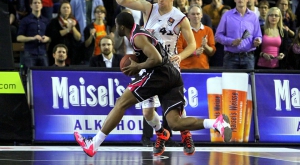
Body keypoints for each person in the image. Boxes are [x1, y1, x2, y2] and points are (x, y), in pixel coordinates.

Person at [74, 12, 232, 157]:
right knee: (174, 123)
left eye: (116, 25)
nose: (116, 28)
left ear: (122, 26)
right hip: (173, 75)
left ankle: (93, 144)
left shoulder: (137, 37)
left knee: (121, 104)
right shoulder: (139, 33)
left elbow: (156, 59)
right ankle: (216, 123)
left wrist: (138, 66)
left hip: (158, 75)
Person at [116, 0, 198, 156]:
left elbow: (192, 44)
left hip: (169, 65)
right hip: (149, 64)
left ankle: (186, 134)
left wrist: (181, 56)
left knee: (176, 108)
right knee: (147, 113)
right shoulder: (149, 8)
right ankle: (161, 133)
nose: (159, 0)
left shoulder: (180, 17)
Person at [215, 0, 262, 69]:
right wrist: (232, 42)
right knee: (229, 82)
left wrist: (258, 40)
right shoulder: (227, 15)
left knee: (248, 82)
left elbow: (258, 35)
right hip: (230, 57)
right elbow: (218, 36)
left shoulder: (253, 16)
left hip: (248, 57)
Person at [70, 0, 104, 64]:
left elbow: (102, 19)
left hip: (95, 37)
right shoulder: (74, 1)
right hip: (79, 37)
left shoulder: (99, 1)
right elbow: (71, 18)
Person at [177, 4, 216, 69]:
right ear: (188, 15)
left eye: (198, 14)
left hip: (203, 68)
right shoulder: (181, 31)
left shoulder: (208, 30)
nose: (196, 16)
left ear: (201, 15)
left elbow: (212, 52)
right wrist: (194, 52)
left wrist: (205, 46)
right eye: (193, 14)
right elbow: (178, 51)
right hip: (185, 68)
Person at [17, 0, 50, 69]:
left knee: (45, 75)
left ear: (42, 5)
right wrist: (33, 38)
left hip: (43, 53)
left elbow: (51, 37)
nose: (37, 4)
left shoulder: (46, 21)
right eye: (35, 3)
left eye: (38, 3)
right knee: (30, 75)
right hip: (30, 53)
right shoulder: (25, 20)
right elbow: (19, 37)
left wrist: (47, 39)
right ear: (31, 5)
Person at [45, 0, 81, 65]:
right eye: (64, 8)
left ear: (70, 10)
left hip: (71, 52)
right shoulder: (54, 22)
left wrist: (72, 27)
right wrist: (68, 29)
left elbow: (78, 38)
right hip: (56, 50)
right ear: (60, 10)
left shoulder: (74, 22)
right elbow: (54, 35)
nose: (66, 9)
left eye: (68, 8)